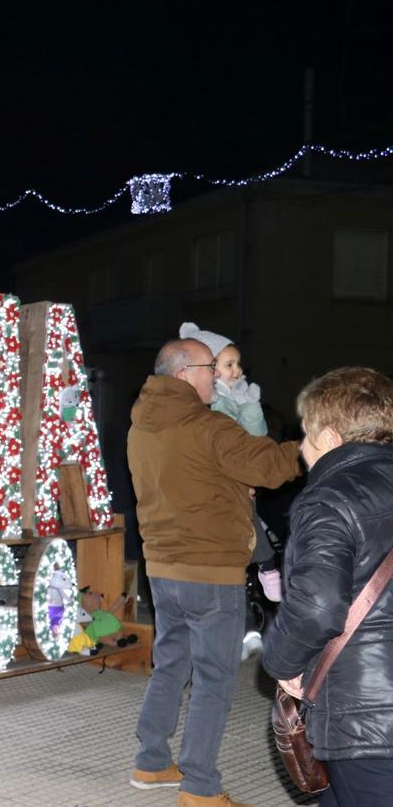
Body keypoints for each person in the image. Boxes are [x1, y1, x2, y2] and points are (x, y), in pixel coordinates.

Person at [127, 338, 301, 807]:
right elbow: (269, 466)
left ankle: (151, 760)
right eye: (211, 369)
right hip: (209, 571)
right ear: (185, 373)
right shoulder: (208, 426)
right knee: (214, 677)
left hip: (162, 568)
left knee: (171, 664)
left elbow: (193, 478)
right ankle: (200, 787)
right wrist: (311, 446)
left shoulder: (141, 425)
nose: (220, 377)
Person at [262, 367, 393, 807]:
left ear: (332, 438)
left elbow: (317, 607)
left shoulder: (330, 497)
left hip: (368, 719)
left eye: (307, 434)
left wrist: (280, 661)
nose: (301, 447)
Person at [180, 322, 283, 601]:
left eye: (238, 364)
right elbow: (221, 443)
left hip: (239, 474)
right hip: (220, 481)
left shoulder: (238, 396)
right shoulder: (205, 404)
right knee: (243, 522)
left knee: (248, 519)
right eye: (229, 364)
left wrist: (249, 404)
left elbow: (257, 435)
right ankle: (265, 563)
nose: (237, 370)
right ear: (210, 370)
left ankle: (264, 565)